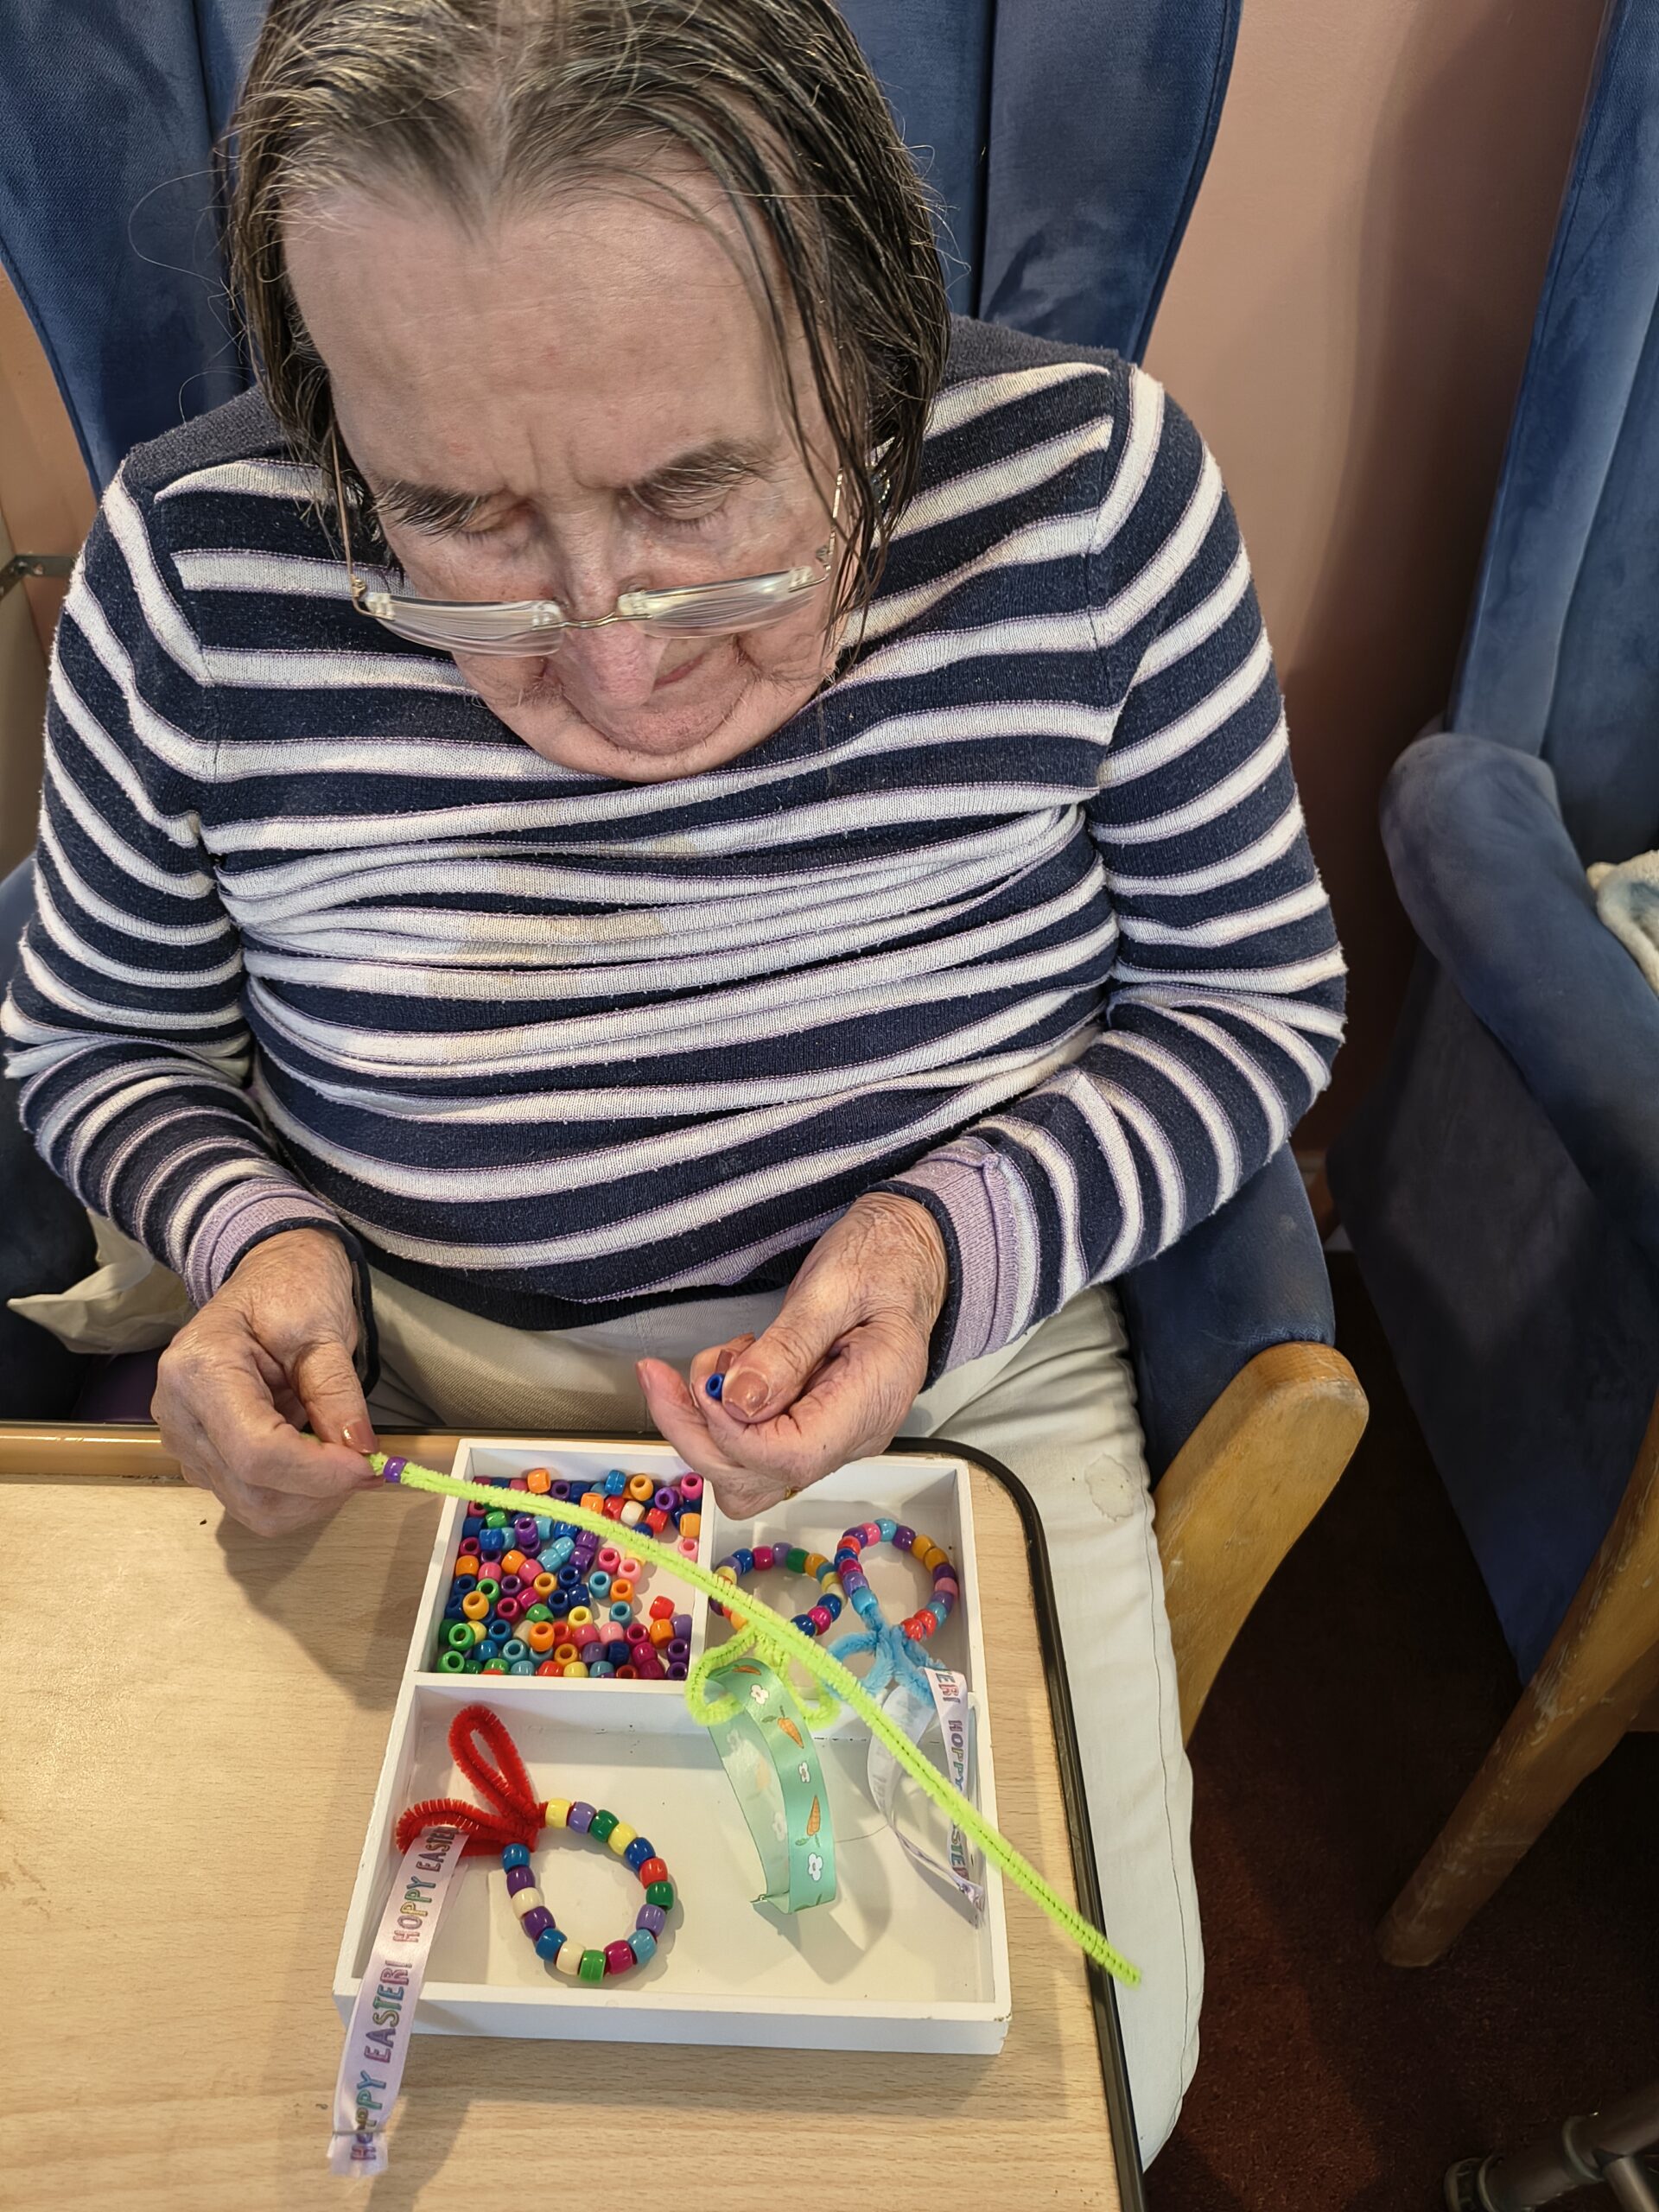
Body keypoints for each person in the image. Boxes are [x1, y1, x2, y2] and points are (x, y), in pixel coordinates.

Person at [0, 0, 1344, 2156]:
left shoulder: (1097, 500)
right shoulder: (194, 565)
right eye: (450, 514)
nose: (613, 667)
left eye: (697, 491)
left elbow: (1253, 999)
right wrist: (258, 1242)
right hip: (409, 1406)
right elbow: (98, 1035)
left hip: (964, 1397)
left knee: (1043, 2098)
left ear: (871, 335)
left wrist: (947, 1238)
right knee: (297, 2087)